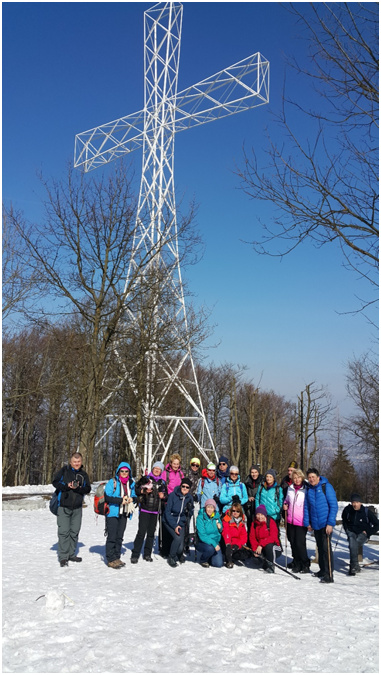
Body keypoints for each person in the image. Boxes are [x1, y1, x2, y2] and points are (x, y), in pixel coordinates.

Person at [52, 451, 91, 567]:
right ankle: (63, 557)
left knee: (74, 531)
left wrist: (79, 488)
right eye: (74, 461)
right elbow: (54, 482)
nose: (76, 463)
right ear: (71, 462)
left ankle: (71, 554)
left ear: (81, 462)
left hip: (77, 508)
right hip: (63, 506)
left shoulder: (84, 475)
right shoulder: (64, 471)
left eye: (78, 462)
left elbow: (88, 489)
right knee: (64, 532)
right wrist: (66, 486)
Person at [303, 467, 338, 584]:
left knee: (326, 549)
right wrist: (308, 522)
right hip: (316, 524)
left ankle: (329, 574)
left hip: (325, 523)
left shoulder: (326, 487)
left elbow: (334, 506)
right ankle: (323, 570)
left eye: (313, 477)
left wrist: (330, 523)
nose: (311, 479)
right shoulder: (309, 489)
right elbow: (307, 507)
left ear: (318, 477)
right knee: (320, 547)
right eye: (309, 478)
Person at [131, 461, 167, 563]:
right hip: (145, 509)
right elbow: (136, 490)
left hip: (155, 511)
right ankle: (135, 554)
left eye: (159, 469)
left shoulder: (162, 482)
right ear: (152, 469)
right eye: (155, 468)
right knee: (141, 532)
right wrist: (143, 491)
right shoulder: (146, 479)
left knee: (151, 533)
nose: (157, 470)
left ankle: (147, 554)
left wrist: (163, 496)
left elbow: (167, 495)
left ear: (161, 471)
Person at [104, 462, 136, 569]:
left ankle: (117, 556)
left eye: (126, 471)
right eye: (122, 471)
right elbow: (107, 497)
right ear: (118, 471)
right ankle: (110, 558)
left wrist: (132, 499)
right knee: (112, 536)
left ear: (129, 472)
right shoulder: (112, 482)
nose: (124, 473)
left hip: (124, 512)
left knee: (119, 536)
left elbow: (135, 495)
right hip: (113, 512)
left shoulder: (131, 483)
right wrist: (120, 500)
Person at [342, 493, 379, 576]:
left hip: (363, 534)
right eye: (353, 502)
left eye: (357, 502)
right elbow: (344, 520)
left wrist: (369, 532)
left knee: (353, 545)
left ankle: (354, 566)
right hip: (351, 532)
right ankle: (354, 567)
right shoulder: (348, 510)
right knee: (352, 541)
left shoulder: (366, 512)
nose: (355, 504)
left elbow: (377, 524)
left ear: (360, 503)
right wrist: (347, 530)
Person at [162, 477, 194, 567]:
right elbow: (167, 512)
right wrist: (175, 525)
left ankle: (179, 554)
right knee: (177, 538)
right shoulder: (173, 495)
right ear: (180, 486)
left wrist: (189, 510)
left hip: (181, 523)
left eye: (187, 487)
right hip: (170, 520)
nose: (185, 488)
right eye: (183, 486)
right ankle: (171, 557)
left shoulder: (189, 498)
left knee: (180, 548)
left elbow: (191, 513)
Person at [283, 468, 310, 573]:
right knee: (292, 542)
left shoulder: (306, 488)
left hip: (301, 520)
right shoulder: (290, 488)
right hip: (290, 520)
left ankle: (305, 563)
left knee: (300, 543)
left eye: (298, 477)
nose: (297, 479)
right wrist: (285, 504)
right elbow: (287, 500)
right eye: (295, 478)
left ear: (302, 477)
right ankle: (296, 561)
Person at [160, 453, 185, 556]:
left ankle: (173, 547)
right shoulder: (165, 473)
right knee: (166, 524)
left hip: (177, 501)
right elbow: (162, 485)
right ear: (170, 463)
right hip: (167, 500)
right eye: (174, 463)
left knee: (174, 524)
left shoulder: (180, 474)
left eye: (177, 464)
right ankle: (164, 549)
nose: (175, 465)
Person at [249, 504, 282, 573]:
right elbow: (252, 538)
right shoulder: (254, 523)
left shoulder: (271, 522)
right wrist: (255, 549)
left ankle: (271, 565)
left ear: (265, 515)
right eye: (258, 514)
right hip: (260, 547)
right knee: (256, 559)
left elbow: (273, 537)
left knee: (269, 546)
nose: (260, 517)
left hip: (274, 547)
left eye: (262, 514)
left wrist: (260, 545)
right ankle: (264, 561)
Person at [195, 498, 224, 568]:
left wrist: (220, 528)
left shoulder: (216, 517)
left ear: (214, 508)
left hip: (215, 541)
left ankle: (210, 556)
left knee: (218, 564)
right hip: (203, 542)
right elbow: (202, 535)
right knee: (210, 549)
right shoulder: (200, 518)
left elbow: (220, 530)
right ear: (205, 508)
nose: (210, 509)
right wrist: (214, 544)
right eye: (208, 507)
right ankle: (203, 560)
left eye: (212, 507)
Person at [222, 502, 251, 568]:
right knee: (228, 550)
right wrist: (228, 544)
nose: (235, 513)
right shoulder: (227, 519)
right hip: (227, 542)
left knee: (245, 554)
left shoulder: (242, 521)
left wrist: (238, 545)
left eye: (237, 511)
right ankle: (228, 559)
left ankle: (233, 557)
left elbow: (244, 536)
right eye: (233, 511)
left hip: (237, 544)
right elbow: (226, 533)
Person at [243, 464, 263, 537]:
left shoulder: (262, 481)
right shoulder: (246, 481)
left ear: (258, 472)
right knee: (250, 526)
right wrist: (248, 497)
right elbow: (243, 493)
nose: (254, 474)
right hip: (249, 507)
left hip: (259, 507)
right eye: (252, 472)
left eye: (255, 472)